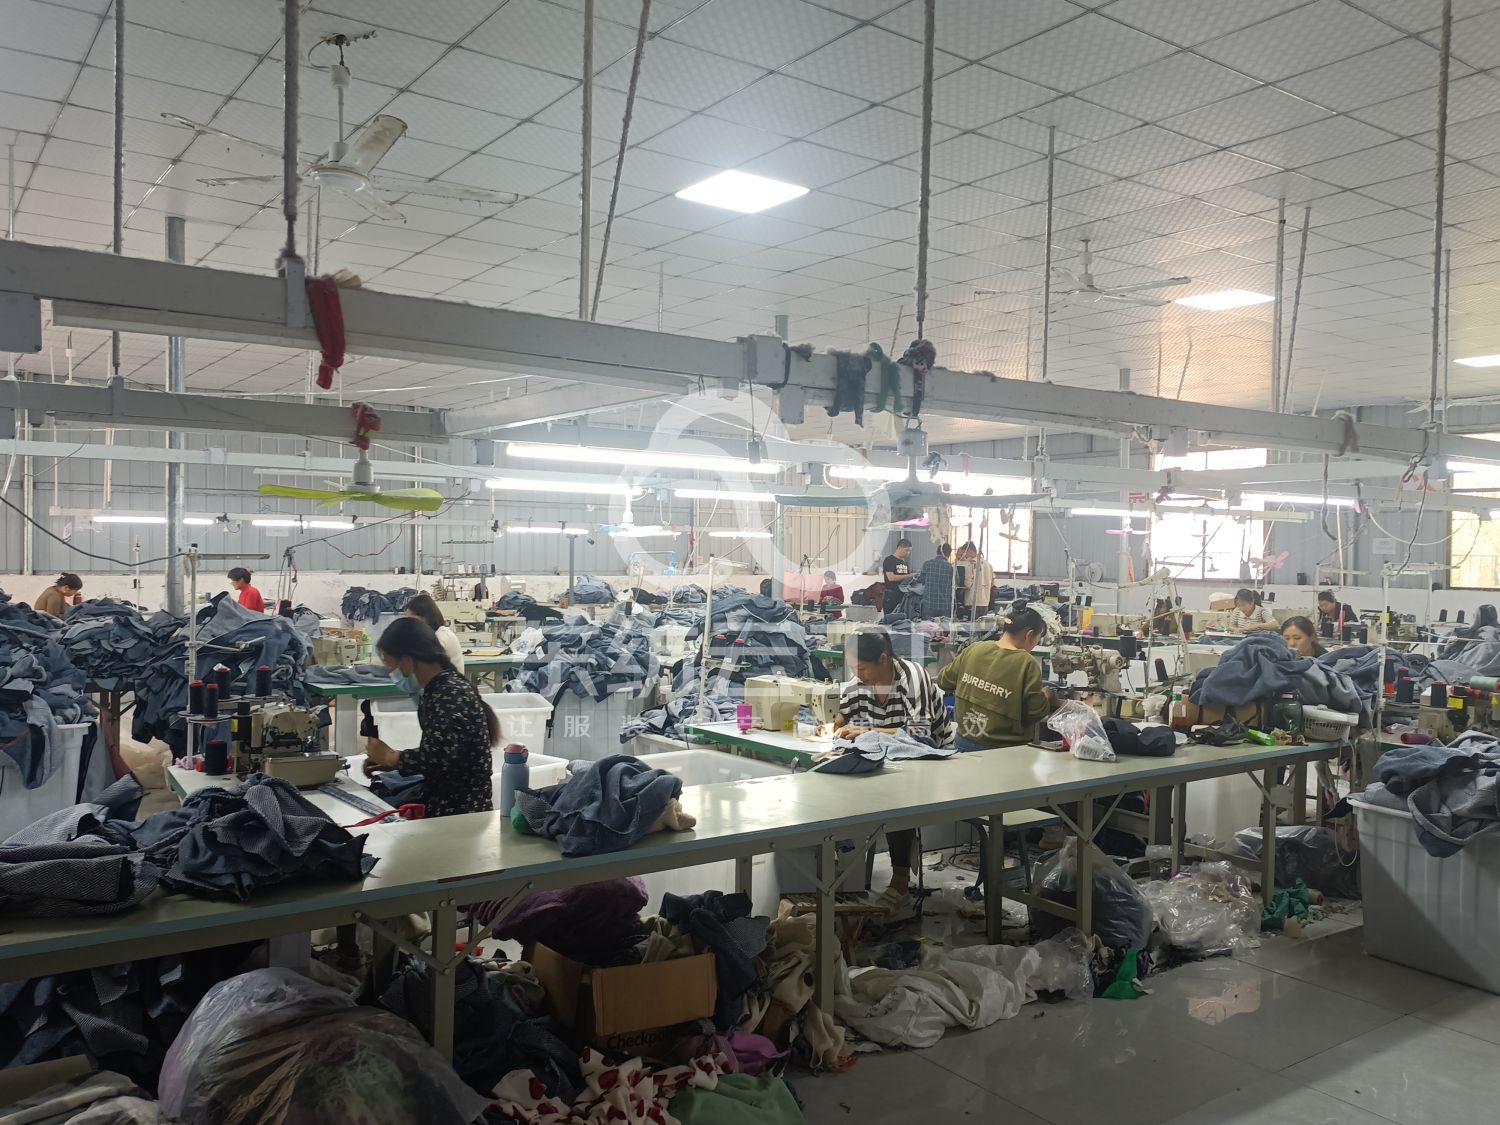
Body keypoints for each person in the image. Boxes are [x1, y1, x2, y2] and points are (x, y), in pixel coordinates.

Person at [833, 629, 953, 914]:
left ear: (884, 659)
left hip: (932, 757)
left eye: (862, 668)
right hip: (889, 756)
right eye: (853, 668)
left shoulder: (913, 677)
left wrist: (867, 731)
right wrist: (831, 723)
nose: (858, 674)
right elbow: (842, 713)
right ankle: (842, 872)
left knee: (897, 799)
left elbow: (920, 734)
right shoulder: (860, 682)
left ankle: (900, 881)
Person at [361, 617, 497, 818]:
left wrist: (393, 758)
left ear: (407, 661)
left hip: (462, 815)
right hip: (450, 806)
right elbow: (442, 750)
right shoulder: (439, 689)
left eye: (391, 667)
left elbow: (439, 758)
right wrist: (393, 761)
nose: (391, 674)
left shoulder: (450, 693)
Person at [938, 604, 1053, 751]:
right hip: (1003, 750)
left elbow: (944, 681)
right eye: (1038, 638)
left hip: (963, 743)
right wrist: (1046, 697)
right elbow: (1035, 712)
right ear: (1029, 635)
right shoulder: (1027, 663)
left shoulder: (975, 649)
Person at [405, 593, 466, 675]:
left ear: (425, 618)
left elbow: (425, 658)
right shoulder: (429, 636)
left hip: (449, 682)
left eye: (412, 620)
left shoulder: (442, 635)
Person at [918, 543, 955, 620]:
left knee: (927, 627)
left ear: (937, 552)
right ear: (949, 554)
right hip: (945, 606)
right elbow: (956, 584)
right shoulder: (951, 567)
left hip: (929, 604)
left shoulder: (927, 564)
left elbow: (921, 581)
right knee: (944, 627)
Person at [882, 539, 913, 610]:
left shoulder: (904, 563)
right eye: (907, 550)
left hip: (902, 596)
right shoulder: (889, 560)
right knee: (891, 616)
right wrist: (910, 575)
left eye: (910, 551)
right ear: (899, 548)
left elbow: (907, 579)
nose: (908, 553)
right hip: (891, 596)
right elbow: (891, 577)